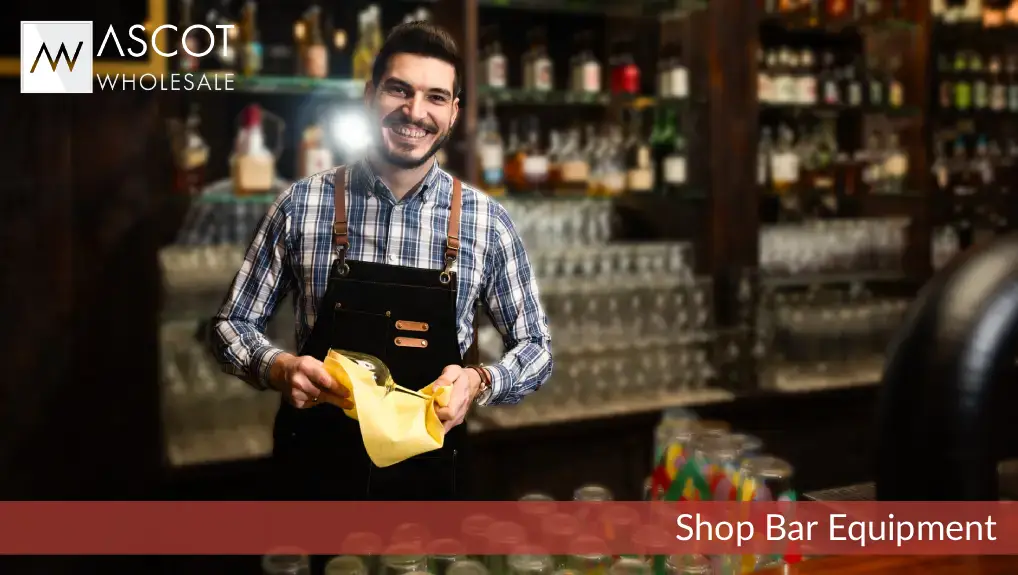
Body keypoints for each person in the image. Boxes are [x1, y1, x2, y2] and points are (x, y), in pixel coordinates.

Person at [209, 22, 553, 501]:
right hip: (316, 467)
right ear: (371, 95)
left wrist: (479, 380)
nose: (415, 112)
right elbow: (231, 325)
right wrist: (277, 366)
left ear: (453, 113)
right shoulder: (302, 205)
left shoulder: (485, 222)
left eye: (436, 97)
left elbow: (536, 347)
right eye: (399, 90)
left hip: (431, 474)